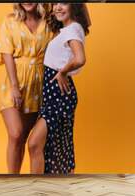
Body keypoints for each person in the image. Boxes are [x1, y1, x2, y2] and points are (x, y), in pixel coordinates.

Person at [27, 3, 91, 174]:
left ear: (74, 6)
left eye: (63, 3)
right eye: (55, 3)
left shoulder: (72, 28)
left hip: (59, 94)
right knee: (55, 146)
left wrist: (62, 72)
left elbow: (80, 58)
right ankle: (47, 191)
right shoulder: (66, 30)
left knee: (35, 143)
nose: (58, 7)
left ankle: (37, 190)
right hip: (53, 94)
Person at [0, 3, 53, 174]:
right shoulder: (10, 20)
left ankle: (26, 185)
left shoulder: (49, 22)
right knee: (16, 134)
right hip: (15, 83)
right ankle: (12, 182)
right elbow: (6, 53)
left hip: (39, 85)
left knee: (24, 139)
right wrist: (14, 87)